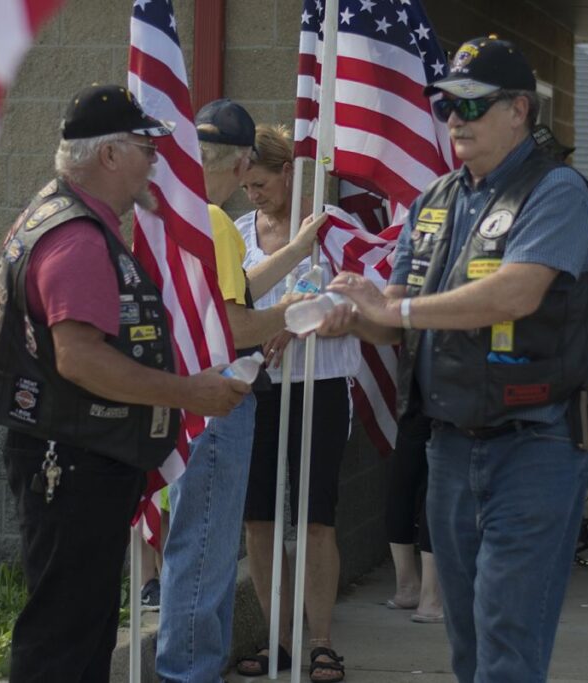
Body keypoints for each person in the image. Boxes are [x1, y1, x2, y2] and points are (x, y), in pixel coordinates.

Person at [320, 37, 588, 683]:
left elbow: (516, 291)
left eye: (472, 106)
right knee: (467, 637)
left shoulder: (556, 191)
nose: (455, 120)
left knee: (507, 632)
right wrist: (353, 312)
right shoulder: (435, 201)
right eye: (447, 105)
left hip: (537, 444)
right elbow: (395, 317)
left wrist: (401, 313)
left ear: (519, 110)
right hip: (446, 447)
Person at [0, 83, 252, 683]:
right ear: (108, 156)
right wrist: (189, 392)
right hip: (73, 462)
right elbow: (80, 360)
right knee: (64, 637)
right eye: (146, 146)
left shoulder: (64, 217)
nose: (156, 159)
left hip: (75, 456)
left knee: (82, 627)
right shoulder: (75, 239)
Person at [156, 100, 320, 683]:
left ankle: (192, 667)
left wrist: (295, 252)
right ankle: (189, 673)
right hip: (217, 402)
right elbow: (233, 324)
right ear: (244, 160)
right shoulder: (217, 223)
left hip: (181, 397)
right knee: (205, 550)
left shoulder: (178, 214)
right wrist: (291, 313)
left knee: (198, 545)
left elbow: (233, 291)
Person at [232, 124, 359, 681]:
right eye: (245, 186)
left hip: (320, 385)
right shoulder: (237, 236)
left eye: (260, 183)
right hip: (255, 390)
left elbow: (362, 309)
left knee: (314, 518)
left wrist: (301, 321)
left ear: (290, 172)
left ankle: (322, 641)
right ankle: (277, 641)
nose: (252, 194)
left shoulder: (334, 231)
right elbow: (230, 311)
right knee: (259, 520)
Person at [385, 411, 443, 624]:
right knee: (439, 480)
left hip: (417, 389)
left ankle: (406, 586)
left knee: (405, 477)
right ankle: (430, 598)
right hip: (453, 392)